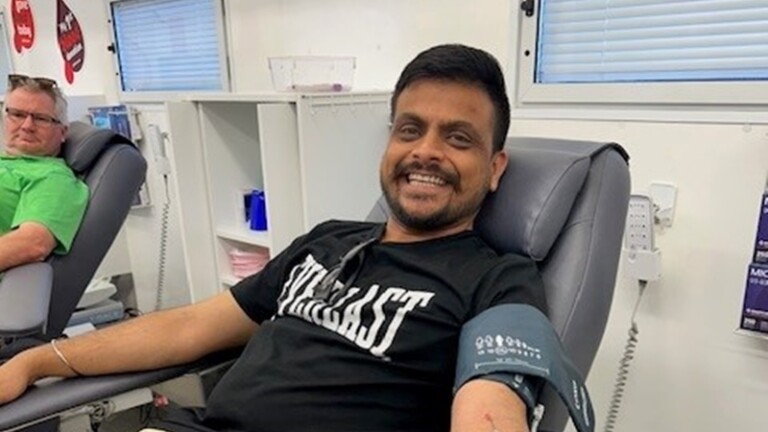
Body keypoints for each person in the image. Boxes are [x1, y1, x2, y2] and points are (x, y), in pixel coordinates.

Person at [0, 45, 546, 432]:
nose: (425, 151)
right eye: (410, 130)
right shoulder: (328, 242)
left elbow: (492, 405)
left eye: (458, 138)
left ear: (495, 168)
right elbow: (190, 325)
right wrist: (38, 361)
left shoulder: (499, 281)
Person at [0, 74, 88, 272]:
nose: (27, 126)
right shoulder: (9, 163)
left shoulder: (53, 177)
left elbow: (33, 243)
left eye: (41, 119)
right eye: (17, 115)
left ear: (63, 132)